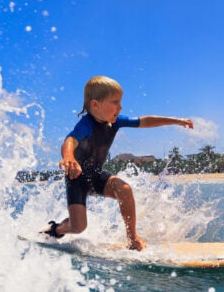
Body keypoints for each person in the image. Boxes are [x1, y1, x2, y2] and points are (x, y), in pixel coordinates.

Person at [43, 75, 193, 250]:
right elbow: (70, 140)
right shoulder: (86, 125)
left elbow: (145, 120)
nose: (120, 107)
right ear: (95, 105)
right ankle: (55, 229)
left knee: (124, 189)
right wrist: (68, 157)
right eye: (115, 102)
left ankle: (132, 239)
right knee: (78, 227)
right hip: (77, 179)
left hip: (97, 176)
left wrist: (176, 120)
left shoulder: (114, 123)